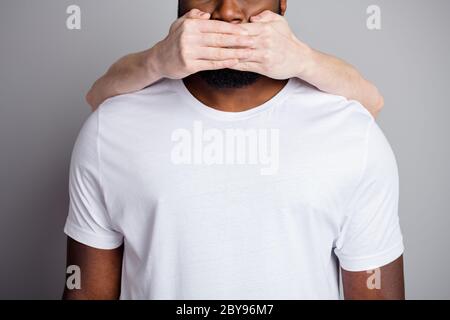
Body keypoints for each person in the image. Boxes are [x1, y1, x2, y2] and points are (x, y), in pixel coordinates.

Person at [63, 0, 404, 300]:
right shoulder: (110, 128)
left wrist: (302, 59)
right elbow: (87, 293)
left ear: (282, 3)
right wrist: (157, 58)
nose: (227, 11)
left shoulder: (352, 134)